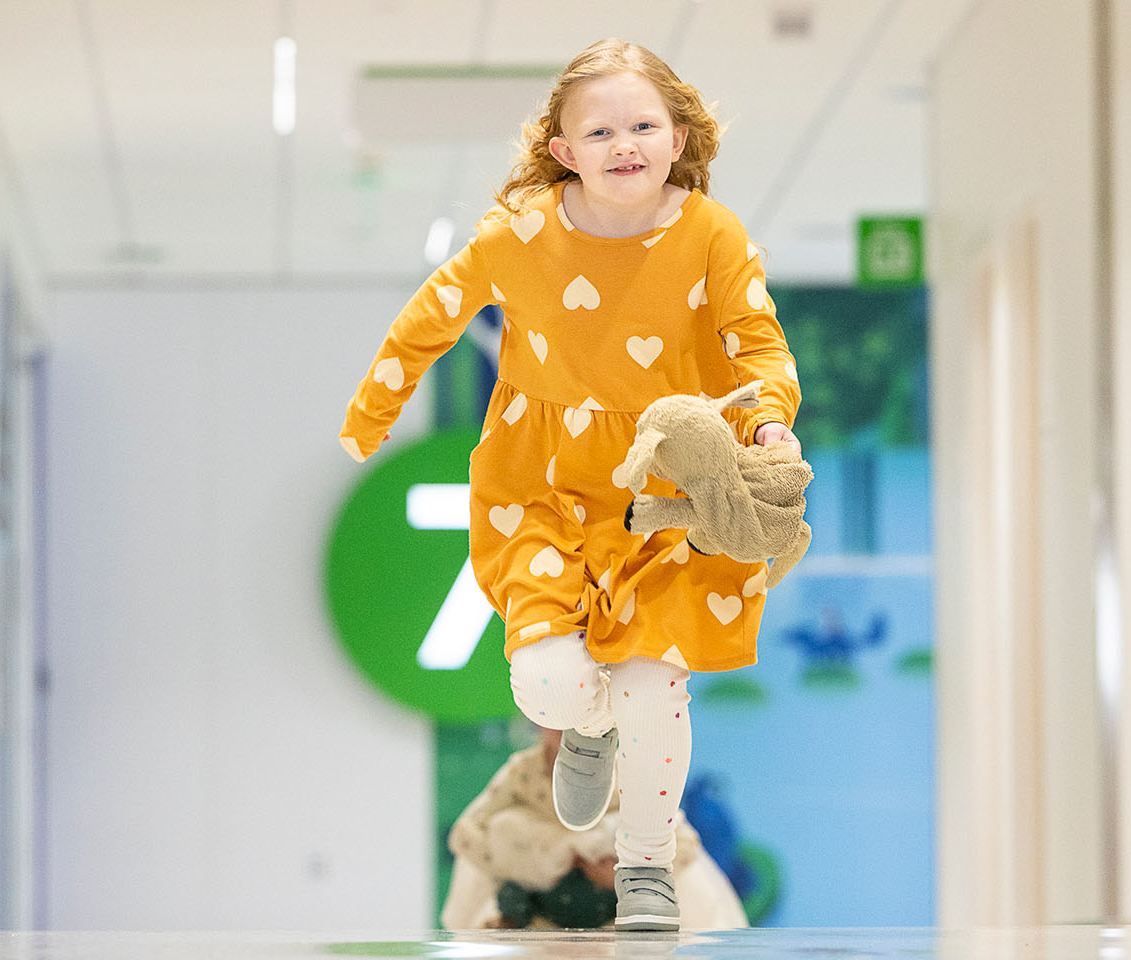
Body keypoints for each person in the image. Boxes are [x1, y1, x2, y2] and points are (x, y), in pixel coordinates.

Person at [339, 37, 801, 931]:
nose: (623, 143)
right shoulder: (521, 234)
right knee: (547, 683)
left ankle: (645, 872)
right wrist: (373, 409)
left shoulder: (712, 232)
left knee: (654, 688)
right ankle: (583, 729)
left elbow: (756, 338)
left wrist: (769, 417)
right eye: (600, 130)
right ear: (562, 150)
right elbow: (432, 313)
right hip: (543, 483)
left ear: (678, 136)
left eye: (642, 124)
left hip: (668, 485)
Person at [441, 728, 749, 931]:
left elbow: (681, 843)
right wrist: (531, 863)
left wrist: (621, 871)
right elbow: (466, 834)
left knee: (666, 869)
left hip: (610, 911)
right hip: (537, 907)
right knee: (503, 835)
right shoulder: (523, 772)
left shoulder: (624, 769)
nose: (566, 726)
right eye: (556, 714)